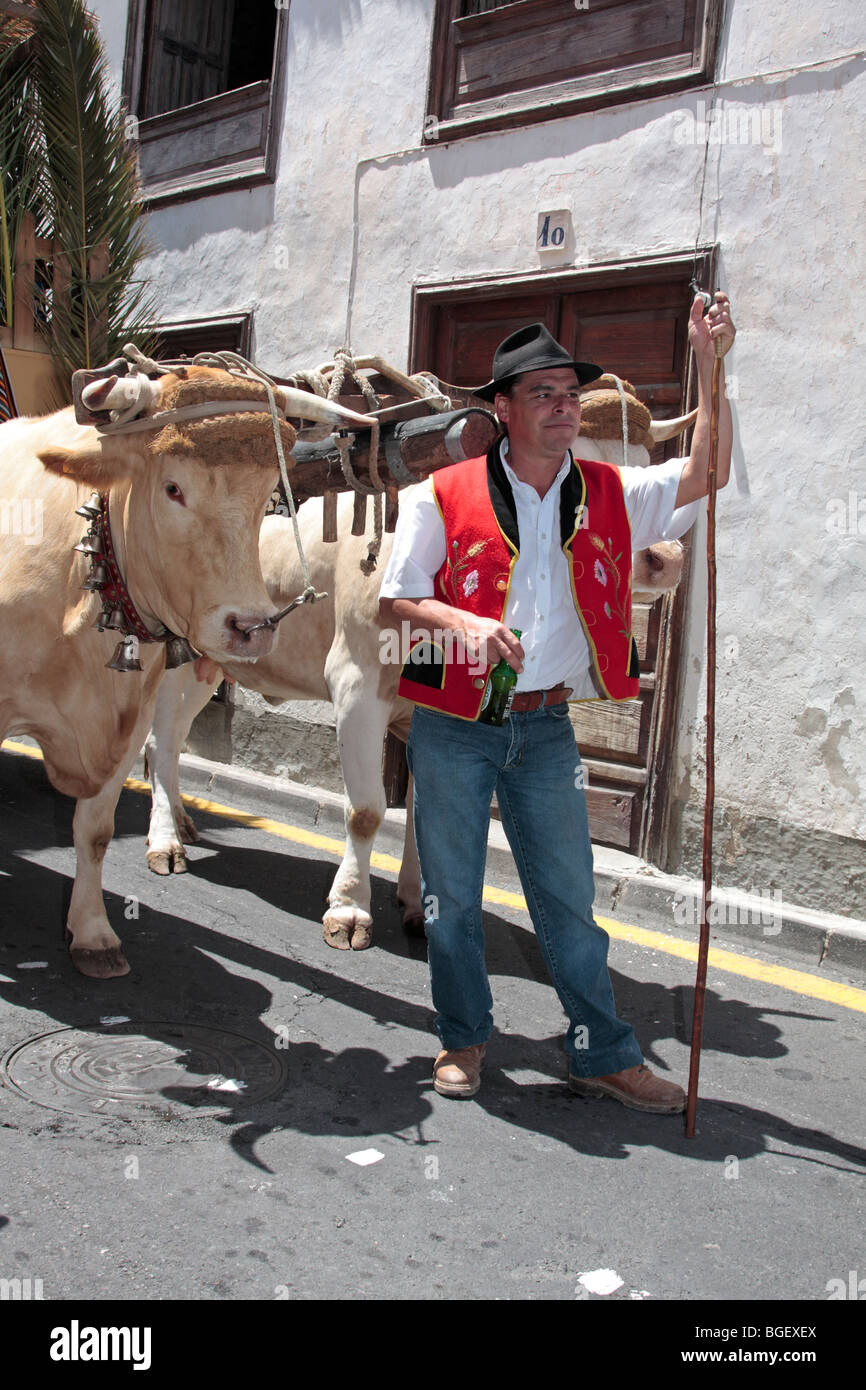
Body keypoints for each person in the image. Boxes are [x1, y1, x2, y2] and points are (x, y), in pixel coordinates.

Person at [378, 295, 735, 1111]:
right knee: (453, 897)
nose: (563, 406)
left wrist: (710, 369)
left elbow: (706, 473)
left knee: (570, 899)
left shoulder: (610, 489)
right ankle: (463, 1038)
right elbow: (396, 601)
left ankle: (600, 1051)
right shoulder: (442, 492)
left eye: (570, 394)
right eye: (542, 393)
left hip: (545, 726)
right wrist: (459, 622)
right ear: (501, 409)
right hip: (456, 725)